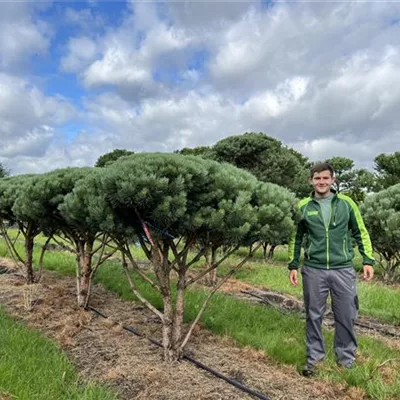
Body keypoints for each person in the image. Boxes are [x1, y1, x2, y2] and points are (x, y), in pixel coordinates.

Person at [288, 162, 374, 376]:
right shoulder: (303, 206)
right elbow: (295, 237)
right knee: (313, 315)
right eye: (317, 178)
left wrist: (367, 260)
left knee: (346, 314)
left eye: (326, 178)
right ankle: (314, 361)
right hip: (313, 269)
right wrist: (293, 265)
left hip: (343, 269)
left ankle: (346, 361)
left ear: (333, 180)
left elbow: (360, 231)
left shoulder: (346, 203)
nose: (321, 182)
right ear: (311, 181)